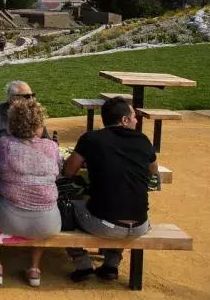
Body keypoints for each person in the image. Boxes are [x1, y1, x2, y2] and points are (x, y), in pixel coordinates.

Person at [63, 97, 158, 282]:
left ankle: (82, 265)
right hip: (140, 225)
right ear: (124, 120)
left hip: (104, 225)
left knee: (65, 206)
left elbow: (68, 171)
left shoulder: (91, 138)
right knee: (124, 200)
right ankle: (111, 265)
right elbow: (154, 170)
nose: (136, 120)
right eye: (134, 117)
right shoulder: (143, 140)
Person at [0, 99, 61, 287]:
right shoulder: (52, 147)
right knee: (46, 204)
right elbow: (58, 172)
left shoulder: (4, 144)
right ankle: (34, 269)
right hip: (48, 223)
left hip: (7, 220)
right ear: (39, 125)